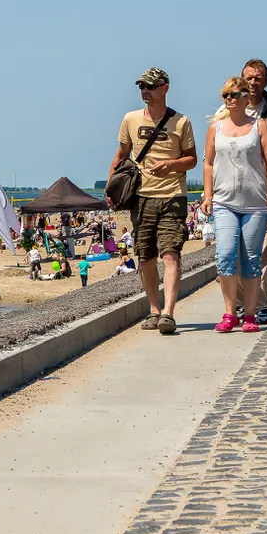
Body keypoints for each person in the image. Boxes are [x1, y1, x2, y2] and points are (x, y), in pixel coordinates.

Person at [106, 67, 198, 335]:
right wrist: (110, 191)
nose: (145, 91)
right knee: (145, 256)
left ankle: (168, 313)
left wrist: (171, 164)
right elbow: (120, 156)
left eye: (150, 86)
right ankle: (154, 310)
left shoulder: (181, 122)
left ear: (165, 87)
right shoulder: (130, 119)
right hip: (142, 198)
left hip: (172, 195)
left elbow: (192, 159)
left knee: (170, 253)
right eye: (141, 87)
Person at [201, 75, 267, 333]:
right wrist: (207, 195)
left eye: (234, 94)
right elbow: (209, 162)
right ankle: (229, 312)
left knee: (251, 259)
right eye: (226, 95)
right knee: (225, 255)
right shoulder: (216, 128)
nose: (229, 99)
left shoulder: (261, 126)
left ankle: (249, 314)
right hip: (224, 201)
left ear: (247, 97)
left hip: (255, 203)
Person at [228, 59, 267, 325]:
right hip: (234, 191)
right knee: (238, 251)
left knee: (263, 250)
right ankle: (244, 304)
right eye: (249, 78)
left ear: (266, 81)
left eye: (258, 78)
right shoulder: (228, 109)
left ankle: (262, 304)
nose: (253, 83)